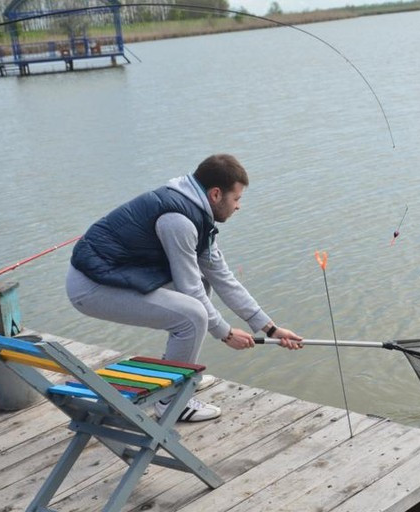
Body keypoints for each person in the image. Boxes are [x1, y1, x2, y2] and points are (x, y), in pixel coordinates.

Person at [67, 154, 302, 422]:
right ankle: (170, 402)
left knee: (200, 293)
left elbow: (223, 277)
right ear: (215, 194)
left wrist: (269, 328)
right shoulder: (179, 221)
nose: (238, 207)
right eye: (236, 199)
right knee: (193, 315)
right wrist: (224, 333)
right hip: (91, 287)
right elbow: (190, 291)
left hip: (116, 275)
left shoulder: (197, 213)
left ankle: (178, 374)